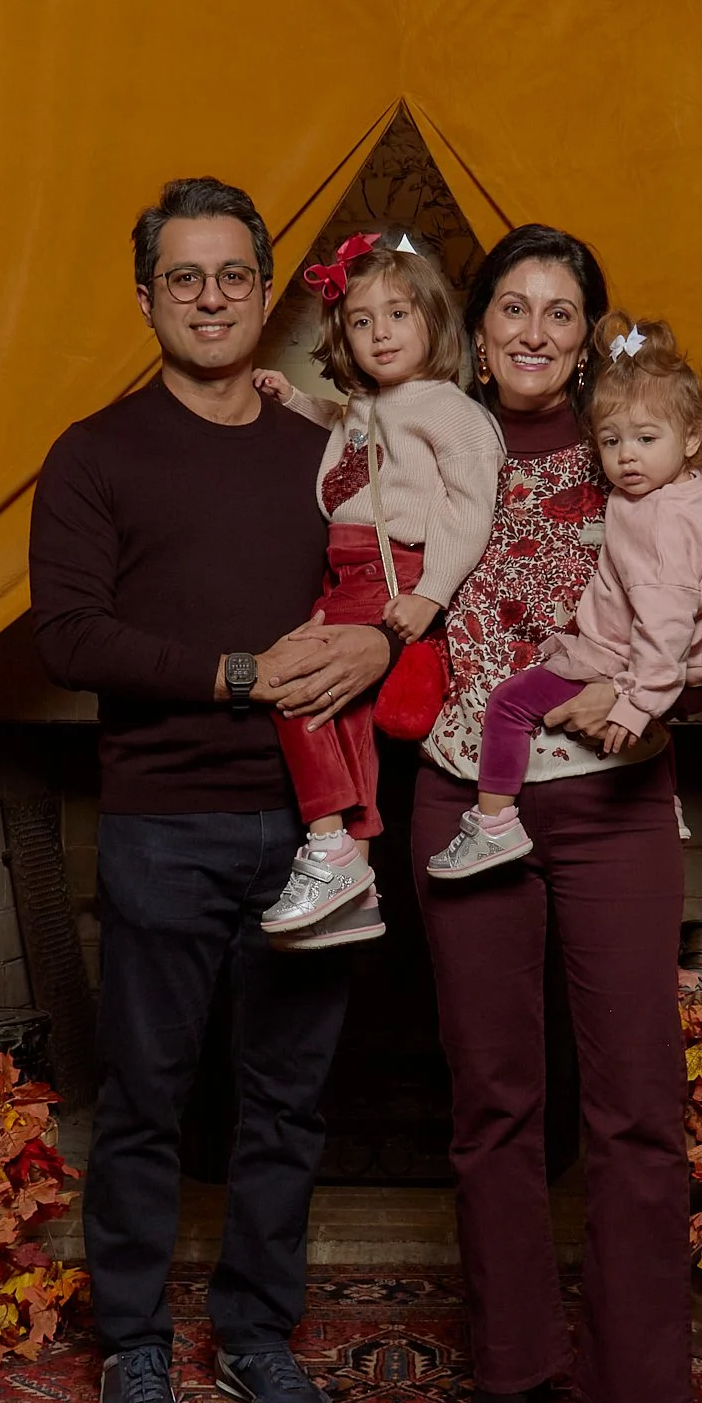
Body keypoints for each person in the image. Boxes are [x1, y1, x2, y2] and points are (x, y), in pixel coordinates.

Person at [29, 176, 399, 1403]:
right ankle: (134, 1343)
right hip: (163, 824)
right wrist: (238, 673)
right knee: (146, 1097)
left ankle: (253, 1334)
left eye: (232, 274)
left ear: (265, 291)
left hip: (315, 831)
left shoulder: (324, 454)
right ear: (145, 300)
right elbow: (68, 634)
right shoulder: (94, 454)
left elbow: (401, 575)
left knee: (287, 1100)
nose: (209, 298)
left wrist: (373, 647)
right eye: (182, 277)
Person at [411, 225, 702, 1403]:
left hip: (614, 798)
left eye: (561, 311)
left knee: (636, 1099)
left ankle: (641, 1383)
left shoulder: (641, 447)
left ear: (590, 339)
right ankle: (511, 1362)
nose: (535, 330)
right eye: (513, 306)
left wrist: (660, 692)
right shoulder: (430, 437)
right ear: (477, 328)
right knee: (493, 1095)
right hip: (468, 792)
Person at [427, 312, 702, 879]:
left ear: (691, 439)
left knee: (509, 703)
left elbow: (664, 627)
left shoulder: (655, 526)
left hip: (625, 660)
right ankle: (668, 802)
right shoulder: (700, 489)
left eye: (645, 439)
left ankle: (494, 824)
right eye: (611, 441)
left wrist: (635, 702)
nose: (627, 456)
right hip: (685, 654)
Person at [252, 230, 501, 946]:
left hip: (395, 572)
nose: (380, 333)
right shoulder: (368, 403)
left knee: (294, 682)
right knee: (342, 713)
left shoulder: (448, 409)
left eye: (397, 314)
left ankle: (329, 840)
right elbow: (350, 432)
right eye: (361, 321)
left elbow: (469, 506)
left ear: (432, 320)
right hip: (346, 574)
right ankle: (356, 879)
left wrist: (433, 594)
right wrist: (295, 400)